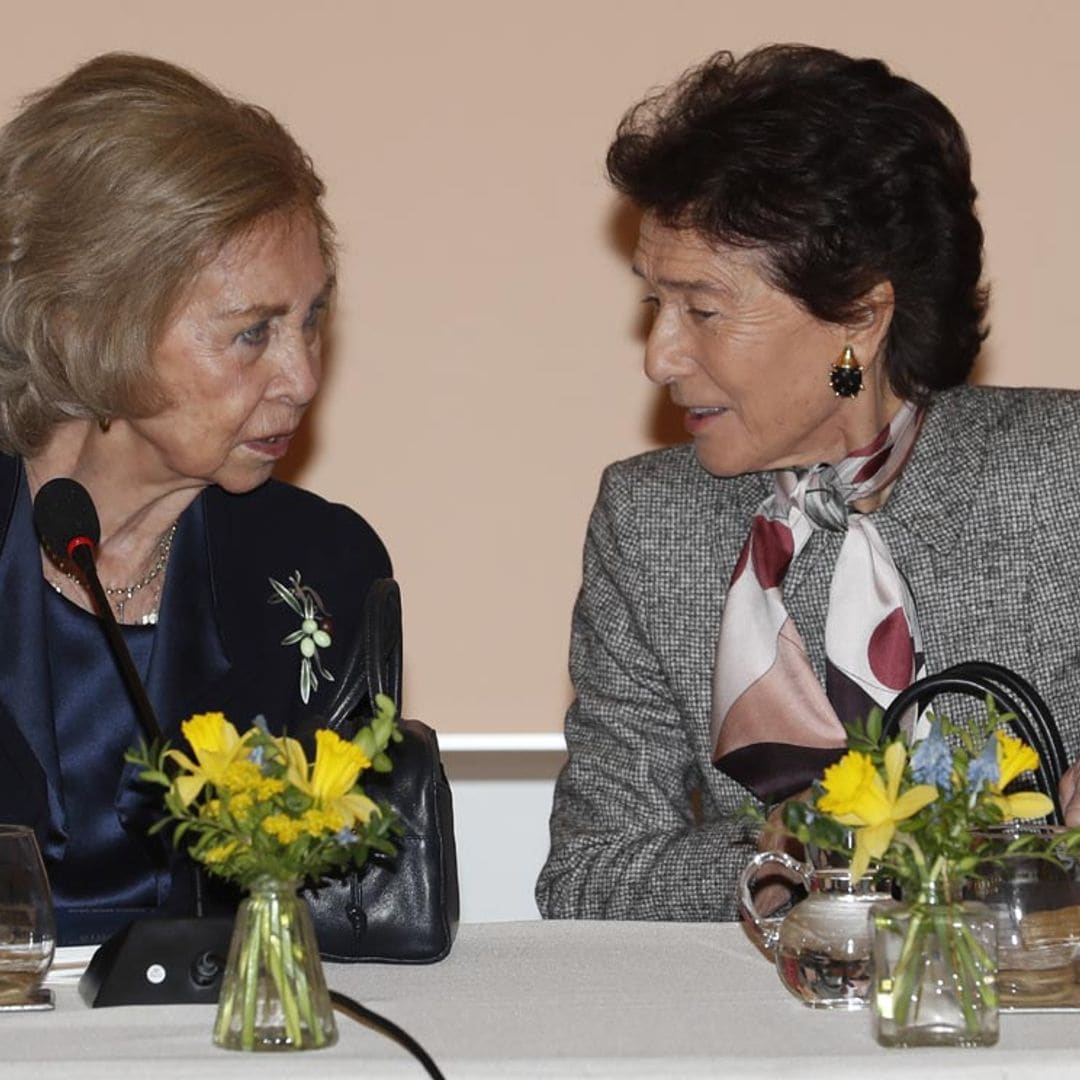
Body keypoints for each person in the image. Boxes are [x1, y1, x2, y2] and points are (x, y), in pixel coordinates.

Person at [536, 44, 1080, 922]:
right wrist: (787, 855)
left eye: (703, 311)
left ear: (858, 319)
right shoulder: (651, 522)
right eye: (654, 305)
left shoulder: (1064, 476)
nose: (659, 356)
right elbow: (589, 877)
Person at [0, 54, 391, 944]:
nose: (300, 377)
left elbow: (345, 898)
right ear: (85, 326)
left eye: (312, 319)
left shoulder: (325, 567)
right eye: (251, 333)